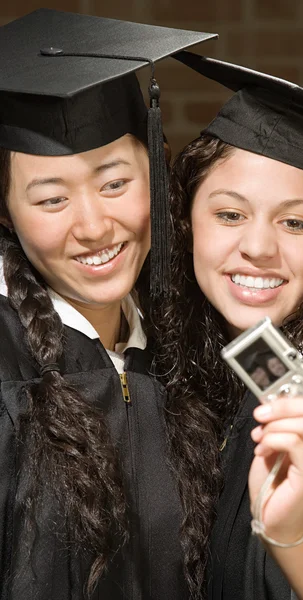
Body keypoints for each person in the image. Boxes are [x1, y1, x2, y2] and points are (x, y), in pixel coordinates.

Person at [152, 51, 303, 600]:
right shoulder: (199, 373)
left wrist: (292, 534)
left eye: (294, 222)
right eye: (230, 214)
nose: (259, 248)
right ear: (185, 218)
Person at [0, 9, 216, 599]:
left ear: (156, 172)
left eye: (115, 183)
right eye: (50, 200)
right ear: (7, 214)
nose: (94, 226)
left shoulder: (186, 350)